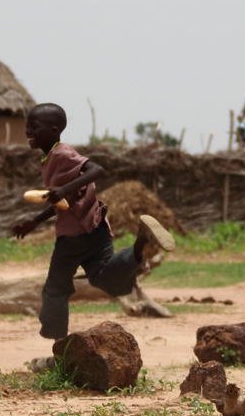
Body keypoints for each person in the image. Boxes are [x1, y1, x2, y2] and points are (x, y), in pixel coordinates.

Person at [10, 102, 175, 367]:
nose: (28, 130)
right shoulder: (49, 158)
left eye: (35, 126)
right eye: (27, 125)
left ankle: (59, 354)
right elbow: (63, 201)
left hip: (73, 237)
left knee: (55, 290)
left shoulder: (61, 153)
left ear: (54, 130)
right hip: (95, 228)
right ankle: (140, 243)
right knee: (105, 279)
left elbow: (97, 170)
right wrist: (34, 221)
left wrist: (64, 189)